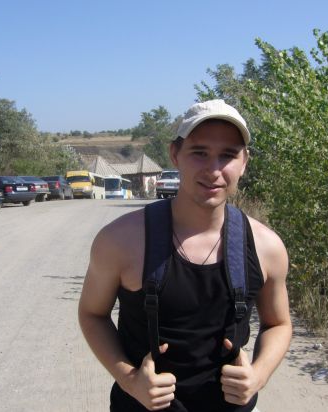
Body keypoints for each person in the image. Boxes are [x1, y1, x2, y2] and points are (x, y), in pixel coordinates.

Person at [78, 99, 292, 412]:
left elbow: (279, 323)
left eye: (228, 155)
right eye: (199, 152)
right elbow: (92, 314)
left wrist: (258, 376)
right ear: (175, 154)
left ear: (244, 162)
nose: (214, 170)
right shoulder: (120, 240)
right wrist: (130, 380)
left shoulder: (266, 247)